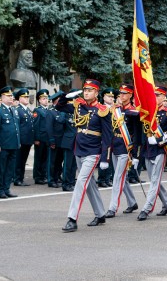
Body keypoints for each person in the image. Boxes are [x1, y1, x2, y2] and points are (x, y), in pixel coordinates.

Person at [58, 79, 112, 232]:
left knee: (81, 182)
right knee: (90, 184)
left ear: (96, 92)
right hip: (79, 149)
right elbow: (59, 106)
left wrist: (105, 158)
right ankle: (100, 214)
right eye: (85, 90)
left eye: (90, 90)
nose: (86, 92)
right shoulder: (78, 106)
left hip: (93, 151)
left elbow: (107, 137)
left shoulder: (102, 110)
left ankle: (72, 218)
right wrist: (66, 96)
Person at [136, 85, 167, 221]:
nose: (155, 98)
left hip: (160, 149)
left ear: (164, 97)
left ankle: (146, 208)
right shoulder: (148, 113)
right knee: (155, 179)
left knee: (154, 180)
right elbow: (141, 133)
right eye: (154, 95)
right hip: (148, 149)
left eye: (158, 95)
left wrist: (159, 140)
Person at [105, 84, 140, 218]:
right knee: (121, 177)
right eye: (121, 93)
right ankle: (132, 202)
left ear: (131, 95)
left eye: (125, 93)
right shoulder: (115, 110)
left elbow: (137, 134)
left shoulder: (134, 112)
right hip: (115, 145)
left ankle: (112, 208)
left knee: (118, 177)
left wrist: (136, 153)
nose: (122, 95)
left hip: (126, 148)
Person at [0, 86, 20, 199]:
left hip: (13, 144)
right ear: (2, 97)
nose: (11, 98)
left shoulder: (13, 110)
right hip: (3, 145)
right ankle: (0, 190)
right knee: (1, 168)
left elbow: (16, 128)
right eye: (8, 96)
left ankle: (6, 188)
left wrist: (18, 142)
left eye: (11, 96)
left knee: (10, 168)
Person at [46, 91, 66, 188]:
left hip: (62, 140)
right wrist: (51, 140)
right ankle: (51, 180)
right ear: (56, 101)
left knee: (59, 161)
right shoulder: (51, 112)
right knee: (52, 161)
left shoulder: (63, 111)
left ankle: (57, 176)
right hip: (55, 140)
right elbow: (49, 127)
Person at [13, 88, 34, 186]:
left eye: (27, 97)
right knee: (19, 160)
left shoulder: (28, 110)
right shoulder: (18, 110)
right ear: (19, 98)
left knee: (23, 160)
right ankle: (17, 178)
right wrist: (18, 140)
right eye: (24, 97)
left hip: (28, 140)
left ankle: (20, 178)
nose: (26, 98)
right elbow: (17, 126)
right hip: (21, 140)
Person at [32, 89, 49, 185]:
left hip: (46, 138)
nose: (46, 100)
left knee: (45, 158)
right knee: (39, 158)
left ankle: (43, 175)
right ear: (39, 100)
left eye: (46, 98)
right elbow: (36, 125)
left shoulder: (48, 110)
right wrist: (36, 139)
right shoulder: (37, 110)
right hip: (40, 138)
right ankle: (38, 177)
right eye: (43, 99)